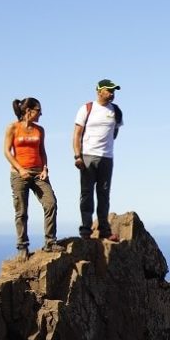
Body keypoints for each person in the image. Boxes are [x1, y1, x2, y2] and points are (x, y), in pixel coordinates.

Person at [3, 97, 63, 260]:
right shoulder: (13, 128)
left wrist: (45, 168)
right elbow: (7, 151)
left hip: (38, 173)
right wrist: (20, 169)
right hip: (19, 174)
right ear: (28, 111)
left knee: (51, 203)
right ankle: (22, 247)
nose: (41, 114)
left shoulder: (40, 130)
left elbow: (42, 151)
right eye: (39, 111)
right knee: (21, 211)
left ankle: (50, 242)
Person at [72, 79, 124, 242]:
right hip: (88, 155)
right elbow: (77, 134)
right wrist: (77, 155)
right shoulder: (87, 108)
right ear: (99, 91)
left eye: (113, 91)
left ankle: (104, 230)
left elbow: (114, 132)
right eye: (109, 90)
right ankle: (86, 230)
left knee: (104, 194)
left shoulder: (116, 111)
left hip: (107, 157)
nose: (112, 93)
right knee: (86, 193)